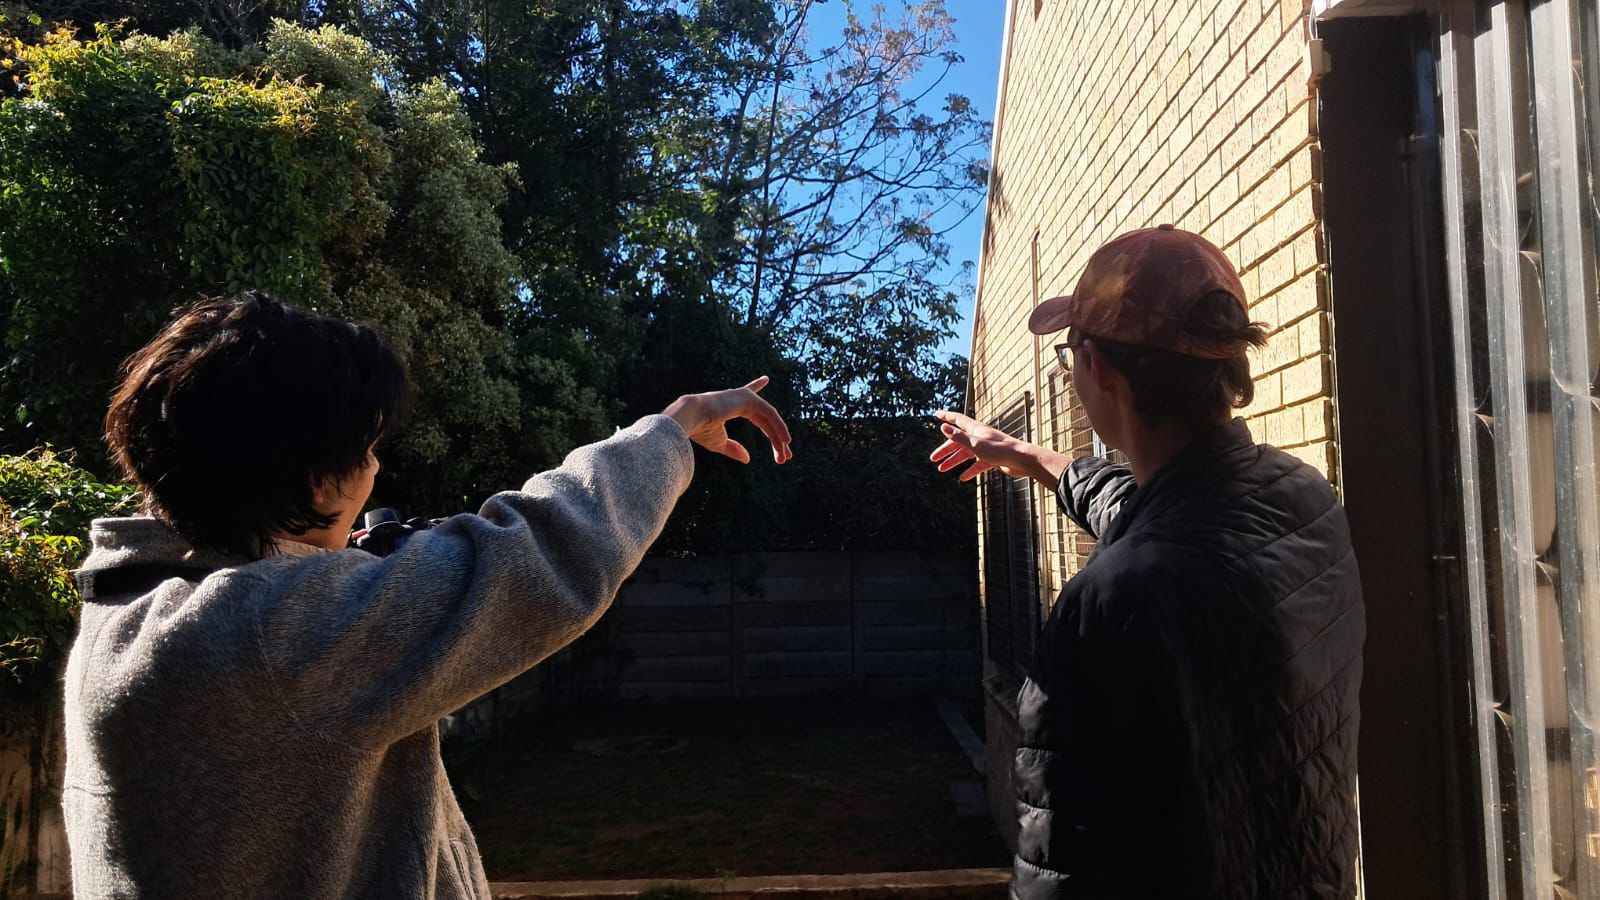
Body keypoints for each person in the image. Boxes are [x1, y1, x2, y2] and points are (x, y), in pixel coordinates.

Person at [64, 291, 792, 898]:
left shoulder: (134, 605)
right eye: (368, 449)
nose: (376, 471)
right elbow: (536, 558)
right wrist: (670, 430)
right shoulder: (263, 640)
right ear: (315, 480)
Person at [931, 226, 1364, 899]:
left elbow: (1062, 869)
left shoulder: (1113, 601)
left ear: (1098, 367)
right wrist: (1024, 455)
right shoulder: (1300, 499)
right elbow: (1140, 511)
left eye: (1071, 354)